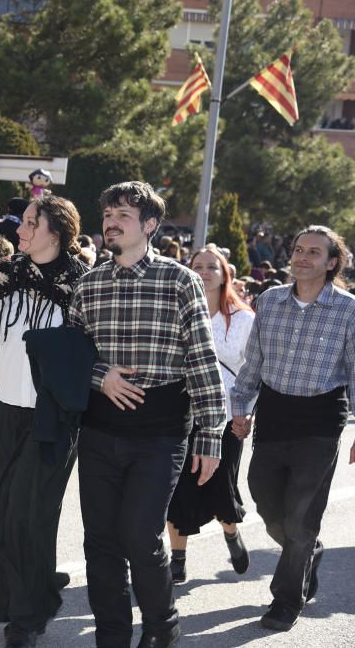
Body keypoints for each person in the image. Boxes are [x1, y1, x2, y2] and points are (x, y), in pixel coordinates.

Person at [69, 181, 225, 648]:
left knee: (140, 537)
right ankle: (111, 635)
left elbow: (202, 358)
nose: (111, 222)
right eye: (108, 214)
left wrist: (210, 436)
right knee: (100, 543)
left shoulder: (180, 280)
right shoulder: (88, 283)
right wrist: (101, 376)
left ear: (150, 225)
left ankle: (162, 628)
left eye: (123, 215)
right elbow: (70, 355)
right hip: (98, 430)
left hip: (160, 433)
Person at [0, 195, 89, 646]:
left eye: (31, 223)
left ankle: (28, 617)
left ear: (56, 231)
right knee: (3, 513)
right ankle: (20, 601)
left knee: (29, 516)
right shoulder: (2, 275)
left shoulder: (81, 285)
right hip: (3, 410)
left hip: (54, 415)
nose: (20, 230)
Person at [231, 226, 355, 632]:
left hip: (320, 423)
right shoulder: (269, 301)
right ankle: (307, 552)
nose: (301, 257)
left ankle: (285, 600)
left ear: (331, 262)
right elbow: (254, 363)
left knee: (301, 515)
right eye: (298, 250)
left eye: (313, 253)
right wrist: (240, 408)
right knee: (267, 504)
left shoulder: (348, 309)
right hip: (274, 417)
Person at [165, 247, 254, 585]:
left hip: (228, 419)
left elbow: (253, 372)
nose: (203, 272)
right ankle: (178, 557)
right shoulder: (175, 313)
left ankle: (230, 533)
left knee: (220, 486)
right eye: (197, 266)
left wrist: (247, 413)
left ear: (224, 273)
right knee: (179, 487)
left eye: (211, 266)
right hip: (182, 415)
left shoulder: (244, 320)